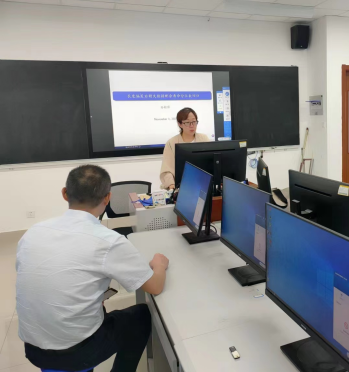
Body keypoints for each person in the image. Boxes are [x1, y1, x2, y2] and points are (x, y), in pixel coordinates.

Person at [16, 165, 169, 372]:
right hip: (75, 353)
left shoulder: (32, 233)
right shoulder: (108, 240)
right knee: (140, 316)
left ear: (64, 193)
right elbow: (155, 286)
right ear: (108, 198)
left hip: (33, 350)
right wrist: (159, 264)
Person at [160, 107, 210, 190]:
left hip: (202, 185)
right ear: (180, 124)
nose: (192, 126)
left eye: (194, 122)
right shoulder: (171, 143)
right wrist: (172, 186)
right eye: (187, 122)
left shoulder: (204, 139)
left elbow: (210, 163)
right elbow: (166, 170)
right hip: (179, 187)